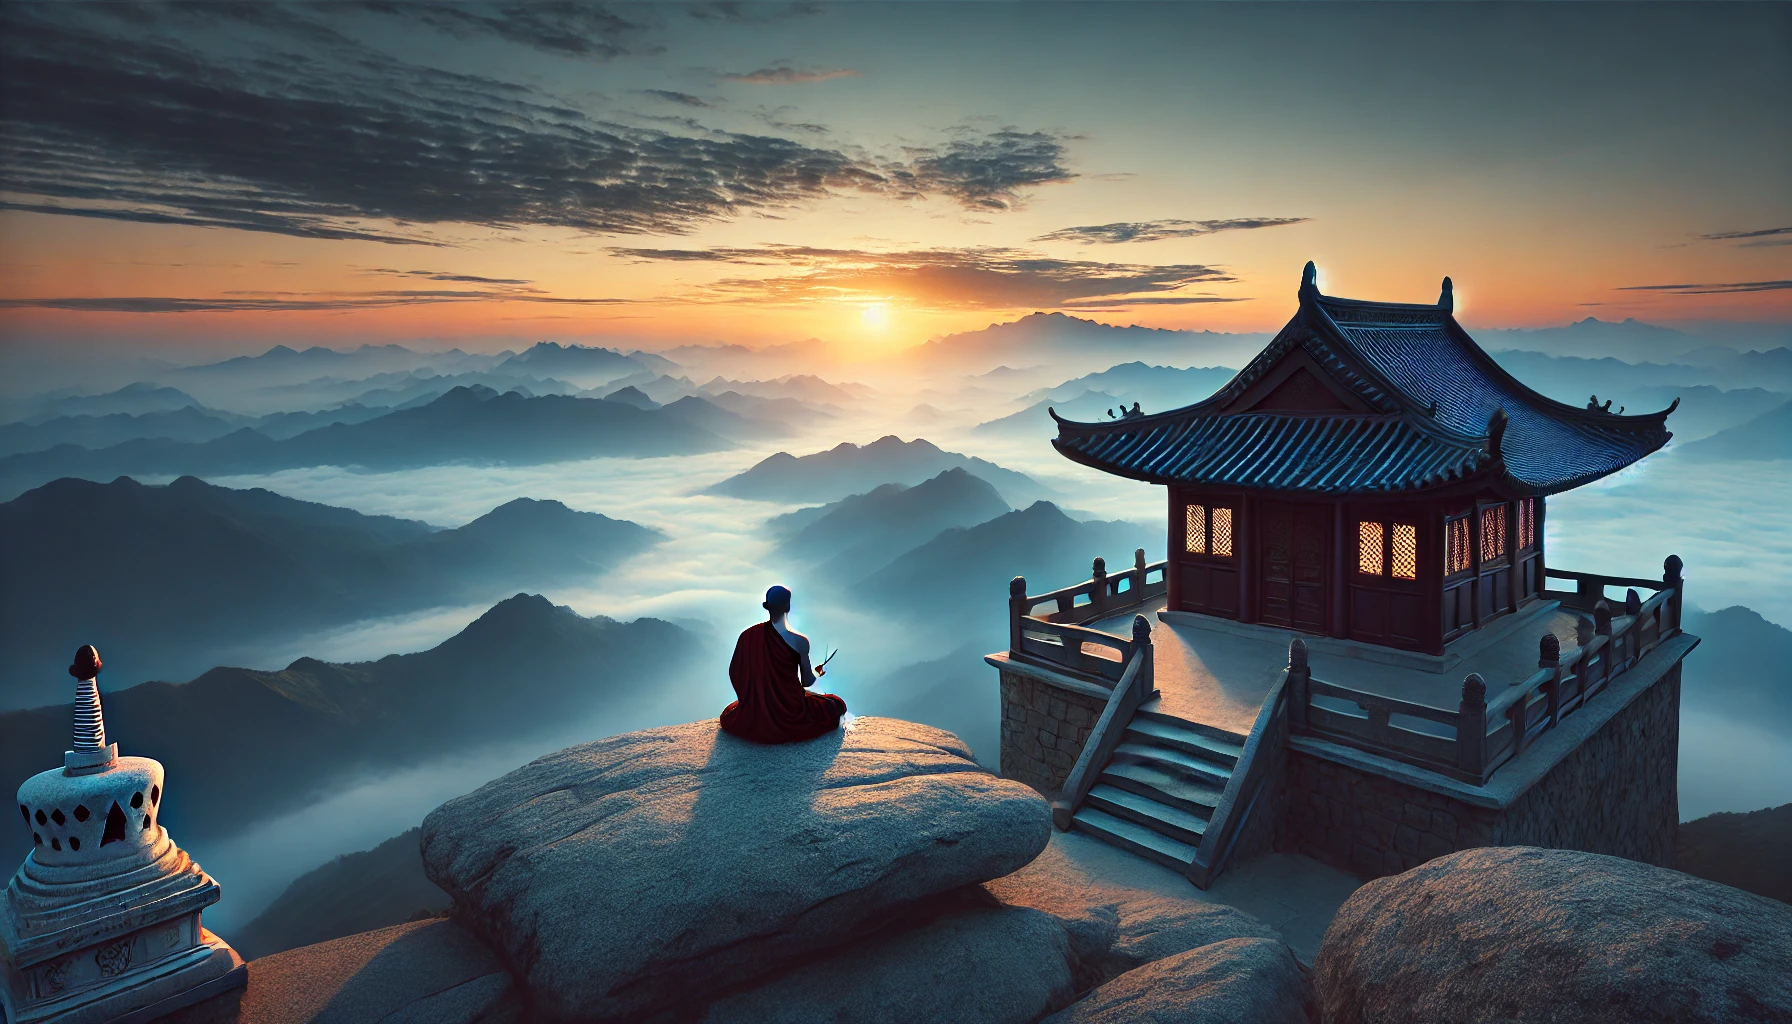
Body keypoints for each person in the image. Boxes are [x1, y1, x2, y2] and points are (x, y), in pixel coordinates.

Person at [719, 585, 847, 743]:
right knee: (836, 705)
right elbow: (807, 681)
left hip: (756, 712)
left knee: (730, 713)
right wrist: (818, 672)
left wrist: (752, 698)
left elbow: (735, 673)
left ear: (767, 606)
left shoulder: (747, 636)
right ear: (788, 606)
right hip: (792, 711)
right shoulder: (800, 641)